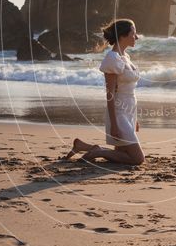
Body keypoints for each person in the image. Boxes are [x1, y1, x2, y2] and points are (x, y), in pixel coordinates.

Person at [62, 18, 145, 166]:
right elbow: (110, 93)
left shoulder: (126, 57)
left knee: (122, 153)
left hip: (129, 109)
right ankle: (98, 152)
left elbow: (128, 90)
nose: (136, 37)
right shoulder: (112, 59)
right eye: (133, 33)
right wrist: (114, 124)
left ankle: (84, 146)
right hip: (118, 112)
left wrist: (134, 118)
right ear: (122, 35)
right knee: (137, 159)